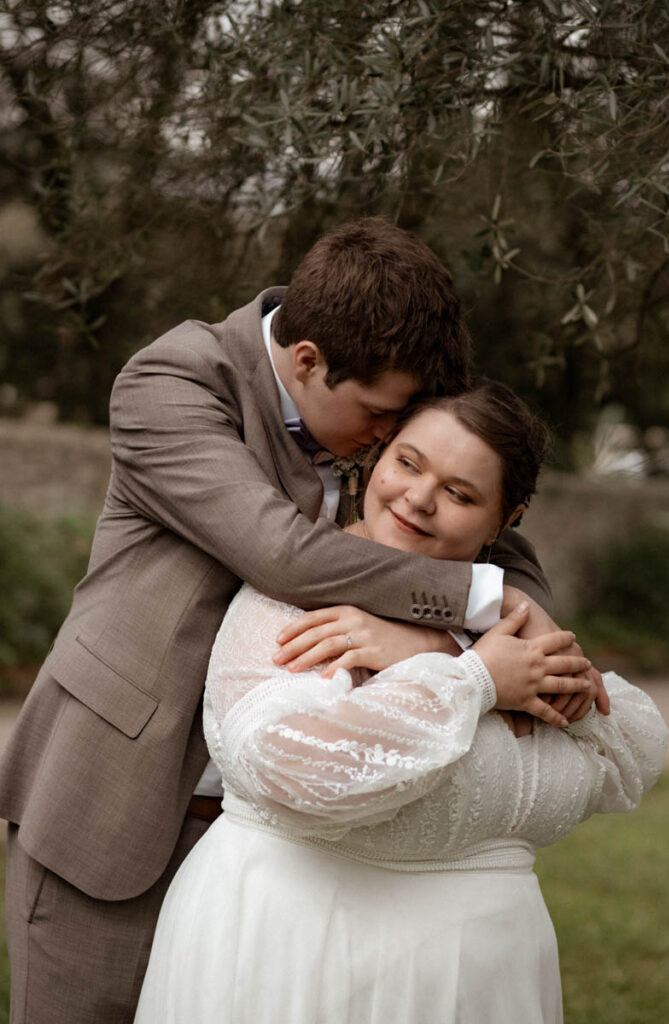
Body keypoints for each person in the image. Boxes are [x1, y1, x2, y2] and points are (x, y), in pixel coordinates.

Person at [0, 219, 565, 1024]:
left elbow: (502, 560)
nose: (387, 443)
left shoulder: (384, 418)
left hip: (277, 861)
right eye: (379, 417)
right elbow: (284, 556)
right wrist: (474, 615)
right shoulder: (174, 380)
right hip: (112, 806)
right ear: (308, 361)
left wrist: (428, 640)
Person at [134, 383, 667, 1023]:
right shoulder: (299, 593)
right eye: (408, 463)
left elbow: (630, 747)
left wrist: (436, 646)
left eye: (460, 493)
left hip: (480, 978)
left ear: (507, 518)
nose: (418, 498)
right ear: (377, 455)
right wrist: (473, 681)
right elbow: (304, 769)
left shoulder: (501, 617)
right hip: (296, 954)